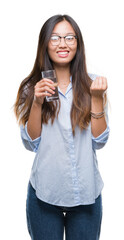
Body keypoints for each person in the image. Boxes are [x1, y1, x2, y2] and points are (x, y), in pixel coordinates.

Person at [14, 14, 110, 240]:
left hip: (86, 194)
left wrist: (96, 99)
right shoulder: (31, 87)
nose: (63, 44)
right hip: (45, 195)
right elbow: (31, 143)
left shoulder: (92, 83)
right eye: (55, 38)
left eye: (69, 37)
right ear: (45, 43)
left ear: (78, 43)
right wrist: (37, 102)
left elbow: (99, 141)